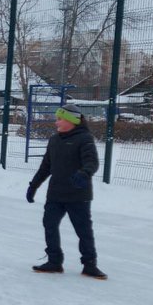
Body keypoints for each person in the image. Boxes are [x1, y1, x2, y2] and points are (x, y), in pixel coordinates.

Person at [26, 105, 107, 279]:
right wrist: (33, 186)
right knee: (50, 225)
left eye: (60, 119)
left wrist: (84, 173)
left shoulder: (84, 139)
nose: (56, 122)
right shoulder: (54, 140)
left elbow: (92, 162)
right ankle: (54, 261)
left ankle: (89, 264)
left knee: (83, 230)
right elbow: (45, 167)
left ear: (71, 121)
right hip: (55, 194)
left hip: (78, 195)